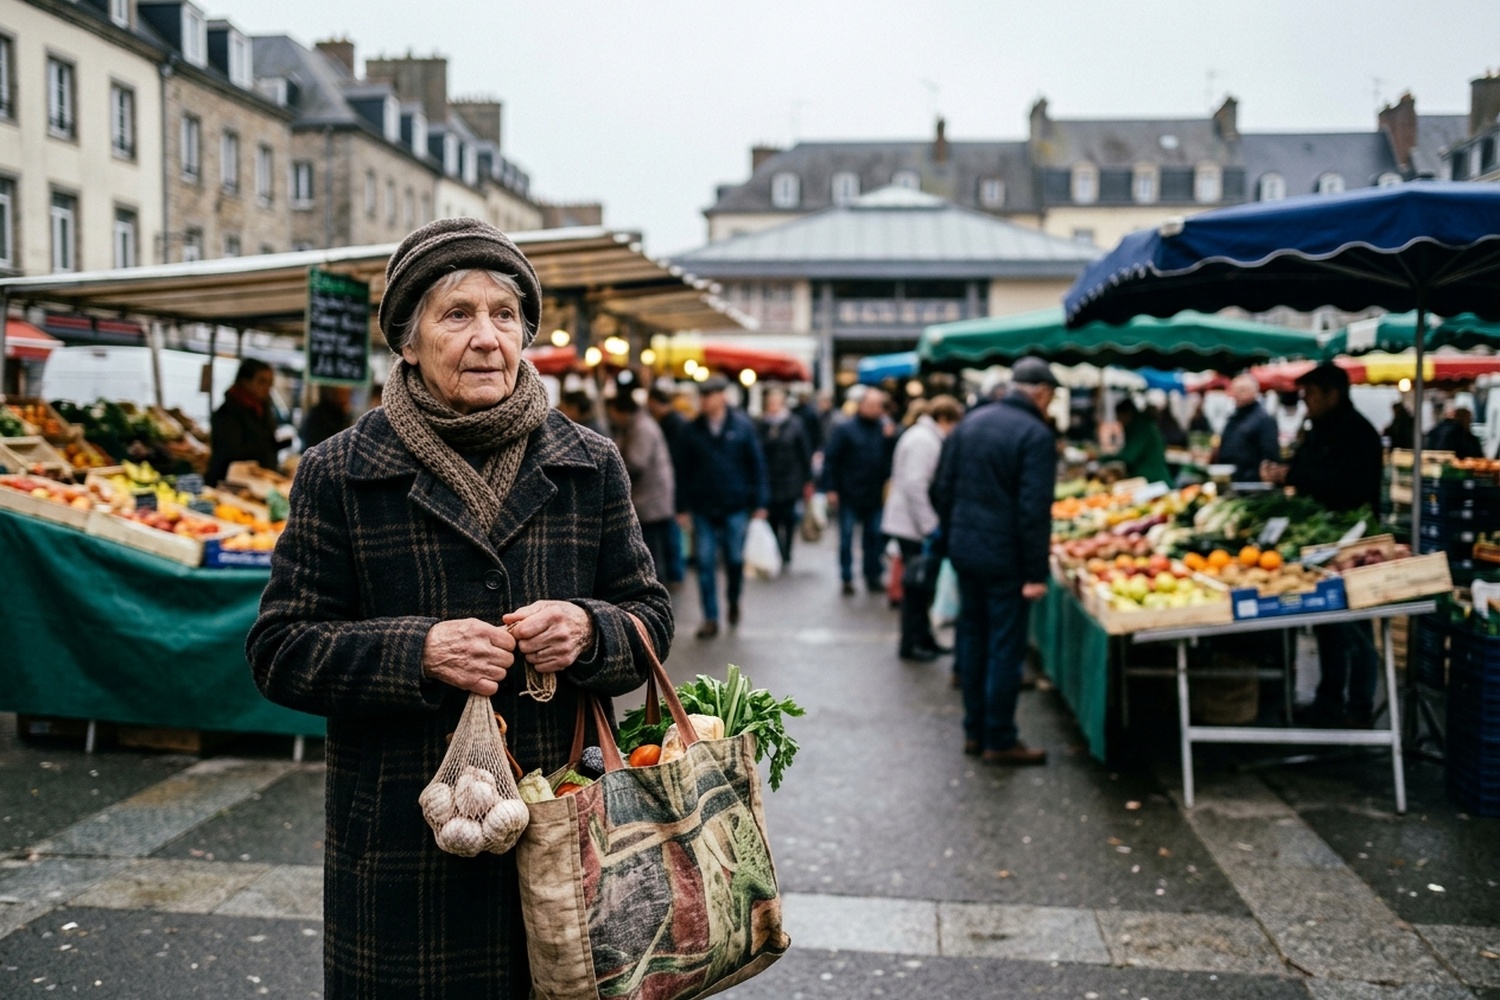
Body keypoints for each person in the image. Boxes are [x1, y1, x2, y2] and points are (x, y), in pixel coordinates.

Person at [247, 217, 672, 999]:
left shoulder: (588, 462)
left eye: (505, 315)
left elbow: (650, 616)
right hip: (405, 852)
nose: (487, 337)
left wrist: (590, 629)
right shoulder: (340, 472)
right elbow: (280, 650)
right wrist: (418, 652)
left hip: (568, 835)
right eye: (457, 314)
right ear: (407, 344)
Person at [931, 358, 1057, 765]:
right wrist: (1035, 572)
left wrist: (957, 532)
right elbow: (1033, 511)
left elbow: (940, 490)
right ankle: (998, 737)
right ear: (1040, 392)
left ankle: (974, 731)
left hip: (967, 551)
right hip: (1007, 559)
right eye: (1051, 396)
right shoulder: (1035, 434)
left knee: (973, 639)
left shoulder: (970, 423)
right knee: (1005, 647)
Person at [1262, 363, 1382, 727]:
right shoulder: (1318, 429)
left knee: (1356, 626)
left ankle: (1358, 709)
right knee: (1329, 625)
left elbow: (1346, 485)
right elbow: (1306, 469)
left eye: (1311, 395)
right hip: (1321, 542)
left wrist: (1294, 475)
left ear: (1334, 394)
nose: (1305, 403)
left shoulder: (1358, 434)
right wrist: (1287, 472)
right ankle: (1328, 703)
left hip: (1353, 543)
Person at [675, 375, 769, 638]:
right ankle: (711, 618)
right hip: (703, 507)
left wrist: (760, 502)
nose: (703, 401)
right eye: (701, 396)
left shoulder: (742, 426)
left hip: (735, 504)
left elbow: (757, 465)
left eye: (708, 395)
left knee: (735, 560)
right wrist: (681, 507)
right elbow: (682, 470)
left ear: (722, 397)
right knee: (704, 563)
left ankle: (734, 600)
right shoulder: (692, 430)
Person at [882, 394, 963, 662]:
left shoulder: (922, 436)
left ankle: (923, 637)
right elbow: (915, 485)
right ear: (944, 419)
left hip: (910, 522)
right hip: (913, 525)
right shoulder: (924, 441)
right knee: (917, 586)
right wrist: (930, 526)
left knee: (921, 585)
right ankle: (912, 642)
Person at [822, 387, 895, 596]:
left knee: (874, 537)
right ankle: (846, 576)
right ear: (861, 405)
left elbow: (890, 459)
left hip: (874, 494)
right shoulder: (845, 429)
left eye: (878, 405)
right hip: (849, 493)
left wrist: (891, 437)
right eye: (871, 405)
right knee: (846, 538)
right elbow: (832, 459)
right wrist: (831, 488)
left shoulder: (884, 428)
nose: (875, 409)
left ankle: (872, 575)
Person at [605, 392, 676, 583]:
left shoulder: (641, 428)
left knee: (650, 550)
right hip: (651, 497)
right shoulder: (637, 425)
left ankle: (654, 589)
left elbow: (636, 463)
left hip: (649, 499)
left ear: (621, 411)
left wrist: (611, 472)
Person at [756, 386, 812, 568]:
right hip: (769, 480)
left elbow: (804, 452)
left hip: (790, 480)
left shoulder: (795, 424)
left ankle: (786, 551)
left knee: (788, 518)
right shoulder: (762, 426)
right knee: (772, 518)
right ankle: (777, 550)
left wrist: (807, 479)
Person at [207, 358, 280, 486]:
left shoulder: (264, 409)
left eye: (270, 382)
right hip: (229, 483)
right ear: (245, 382)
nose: (268, 387)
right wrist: (266, 446)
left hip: (258, 482)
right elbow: (231, 452)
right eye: (262, 381)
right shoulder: (227, 413)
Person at [1214, 374, 1280, 482]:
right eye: (1234, 390)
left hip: (1251, 482)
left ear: (1255, 391)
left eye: (1242, 390)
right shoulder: (1233, 417)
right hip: (1228, 478)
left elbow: (1270, 456)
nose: (1236, 394)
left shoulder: (1264, 420)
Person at [1100, 399, 1172, 485]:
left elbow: (1129, 455)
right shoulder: (1146, 425)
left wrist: (1103, 458)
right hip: (1154, 478)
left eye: (1119, 417)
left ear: (1126, 414)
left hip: (1151, 481)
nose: (1119, 421)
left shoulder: (1139, 429)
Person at [302, 384, 355, 450]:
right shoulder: (320, 415)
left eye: (348, 394)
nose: (346, 398)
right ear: (334, 394)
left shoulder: (344, 415)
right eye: (342, 394)